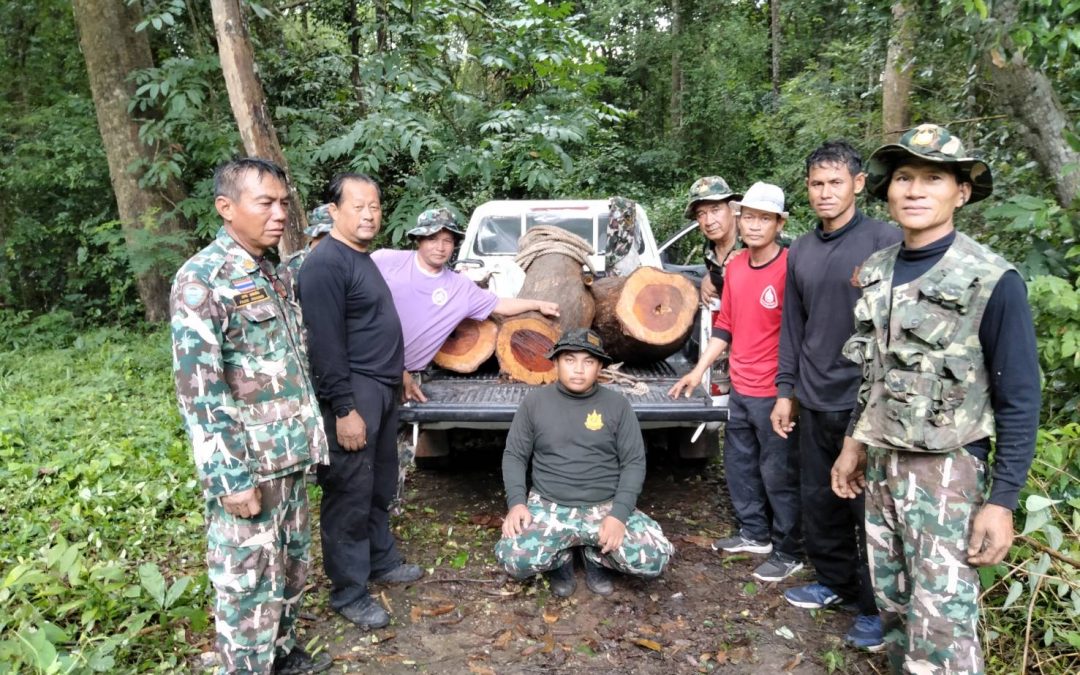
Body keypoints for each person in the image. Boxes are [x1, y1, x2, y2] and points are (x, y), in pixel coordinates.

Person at [830, 124, 1041, 672]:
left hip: (948, 470)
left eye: (933, 178)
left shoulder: (993, 280)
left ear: (961, 192)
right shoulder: (877, 271)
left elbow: (1019, 397)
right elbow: (875, 372)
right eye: (904, 177)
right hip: (882, 465)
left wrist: (1003, 501)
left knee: (942, 621)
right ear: (888, 190)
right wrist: (854, 445)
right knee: (896, 607)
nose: (915, 190)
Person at [169, 157, 331, 674]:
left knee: (290, 567)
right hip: (249, 465)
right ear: (226, 207)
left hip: (288, 454)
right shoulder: (203, 280)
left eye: (284, 202)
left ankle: (280, 655)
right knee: (246, 579)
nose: (279, 213)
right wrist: (229, 477)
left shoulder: (275, 272)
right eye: (266, 203)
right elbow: (200, 391)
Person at [770, 141, 902, 651]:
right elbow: (793, 328)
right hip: (815, 394)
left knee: (865, 507)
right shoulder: (800, 249)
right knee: (819, 498)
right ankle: (834, 583)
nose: (825, 193)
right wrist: (787, 391)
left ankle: (874, 607)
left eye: (835, 183)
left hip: (866, 403)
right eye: (816, 184)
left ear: (858, 184)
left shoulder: (886, 241)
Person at [298, 173, 424, 631]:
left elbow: (371, 324)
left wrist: (401, 372)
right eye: (358, 206)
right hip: (353, 393)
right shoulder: (325, 264)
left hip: (383, 387)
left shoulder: (360, 257)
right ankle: (349, 591)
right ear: (334, 211)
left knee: (379, 483)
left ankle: (380, 560)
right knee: (349, 491)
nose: (369, 213)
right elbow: (326, 346)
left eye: (374, 205)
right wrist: (345, 410)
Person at [669, 182, 803, 583]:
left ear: (780, 224)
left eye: (766, 218)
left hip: (774, 390)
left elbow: (801, 333)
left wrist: (789, 392)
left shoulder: (791, 268)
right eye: (750, 217)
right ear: (740, 219)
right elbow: (725, 325)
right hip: (740, 386)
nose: (755, 225)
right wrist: (698, 370)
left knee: (778, 471)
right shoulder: (737, 267)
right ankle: (754, 534)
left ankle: (789, 550)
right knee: (740, 464)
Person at [496, 328, 673, 597]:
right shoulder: (535, 403)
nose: (578, 369)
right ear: (555, 362)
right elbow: (514, 455)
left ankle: (596, 557)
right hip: (549, 504)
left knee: (653, 559)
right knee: (514, 559)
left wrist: (619, 515)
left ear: (600, 366)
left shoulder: (617, 405)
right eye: (569, 360)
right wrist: (517, 504)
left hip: (604, 505)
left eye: (588, 361)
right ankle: (561, 560)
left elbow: (634, 462)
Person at [370, 207, 560, 402]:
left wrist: (537, 304)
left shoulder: (460, 287)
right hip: (369, 368)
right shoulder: (384, 261)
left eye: (447, 241)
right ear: (419, 240)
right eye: (432, 239)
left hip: (409, 377)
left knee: (389, 429)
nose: (440, 247)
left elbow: (499, 304)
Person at [684, 176, 743, 396]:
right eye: (701, 214)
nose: (709, 221)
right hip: (728, 339)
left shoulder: (755, 240)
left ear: (732, 209)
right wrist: (712, 274)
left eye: (715, 210)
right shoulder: (709, 248)